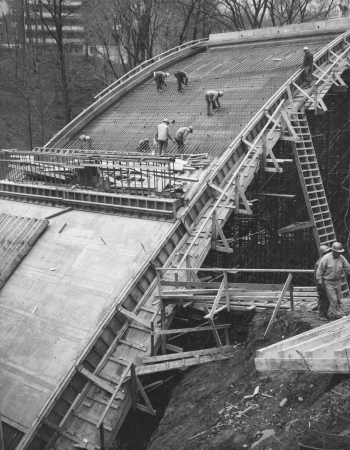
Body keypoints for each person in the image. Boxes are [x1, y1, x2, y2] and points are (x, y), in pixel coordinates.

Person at [316, 242, 350, 319]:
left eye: (340, 252)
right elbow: (319, 271)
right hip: (328, 282)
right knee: (333, 299)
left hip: (338, 281)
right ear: (333, 251)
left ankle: (336, 313)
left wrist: (348, 273)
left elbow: (347, 267)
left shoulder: (341, 258)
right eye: (338, 252)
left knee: (338, 299)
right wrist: (320, 282)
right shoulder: (326, 258)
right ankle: (337, 315)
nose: (339, 254)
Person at [314, 245, 331, 321]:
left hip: (326, 283)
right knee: (323, 299)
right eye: (326, 252)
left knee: (327, 299)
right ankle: (321, 315)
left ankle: (324, 313)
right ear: (322, 254)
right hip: (321, 284)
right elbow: (317, 275)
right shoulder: (319, 263)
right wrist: (320, 285)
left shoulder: (325, 261)